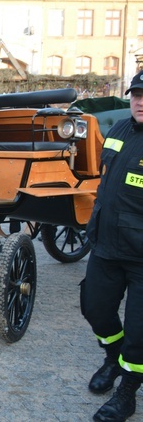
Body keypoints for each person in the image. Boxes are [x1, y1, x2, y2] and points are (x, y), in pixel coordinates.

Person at [81, 69, 143, 421]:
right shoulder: (118, 129)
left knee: (140, 330)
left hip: (141, 257)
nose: (141, 102)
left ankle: (128, 391)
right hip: (106, 245)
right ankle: (114, 357)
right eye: (136, 94)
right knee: (95, 309)